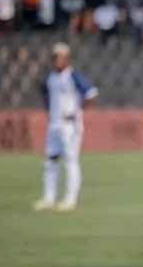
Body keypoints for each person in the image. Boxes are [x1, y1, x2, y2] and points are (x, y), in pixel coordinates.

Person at [33, 43, 98, 212]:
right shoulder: (52, 77)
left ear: (66, 58)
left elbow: (91, 93)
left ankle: (70, 199)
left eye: (59, 57)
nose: (56, 61)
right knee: (50, 160)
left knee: (70, 160)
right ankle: (49, 197)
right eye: (54, 57)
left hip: (69, 125)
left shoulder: (72, 75)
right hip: (54, 124)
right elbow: (48, 97)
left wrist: (80, 112)